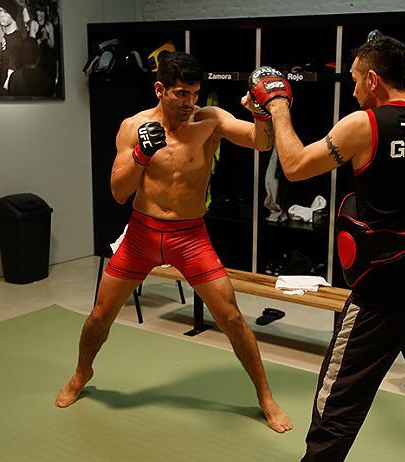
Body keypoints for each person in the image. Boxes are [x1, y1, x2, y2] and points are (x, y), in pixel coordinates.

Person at [246, 36, 405, 460]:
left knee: (337, 403)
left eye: (356, 80)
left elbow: (296, 166)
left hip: (385, 289)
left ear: (373, 79)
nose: (354, 90)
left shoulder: (365, 123)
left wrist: (278, 108)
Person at [55, 51, 292, 433]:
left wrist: (262, 113)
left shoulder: (209, 121)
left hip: (189, 236)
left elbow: (261, 143)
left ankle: (265, 395)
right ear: (160, 89)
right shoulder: (133, 127)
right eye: (181, 93)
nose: (189, 102)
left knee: (230, 316)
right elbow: (118, 193)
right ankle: (82, 373)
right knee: (100, 315)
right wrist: (140, 155)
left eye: (195, 93)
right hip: (142, 233)